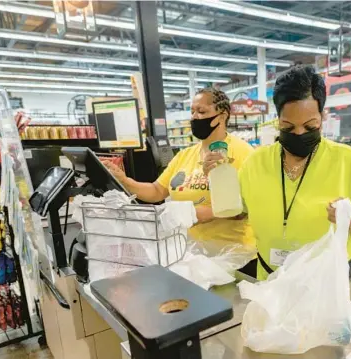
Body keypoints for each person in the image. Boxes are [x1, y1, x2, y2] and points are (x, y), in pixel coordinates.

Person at [234, 65, 351, 280]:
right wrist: (218, 176)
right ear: (277, 119)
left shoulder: (347, 161)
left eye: (309, 126)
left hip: (326, 290)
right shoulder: (255, 163)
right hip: (270, 284)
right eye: (288, 127)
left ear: (322, 117)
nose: (299, 133)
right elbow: (236, 213)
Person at [102, 88, 255, 253]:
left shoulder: (243, 153)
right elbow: (157, 190)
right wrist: (124, 180)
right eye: (192, 112)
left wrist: (193, 213)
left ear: (223, 115)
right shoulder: (185, 155)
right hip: (191, 251)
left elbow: (247, 208)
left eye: (202, 111)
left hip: (233, 254)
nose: (195, 117)